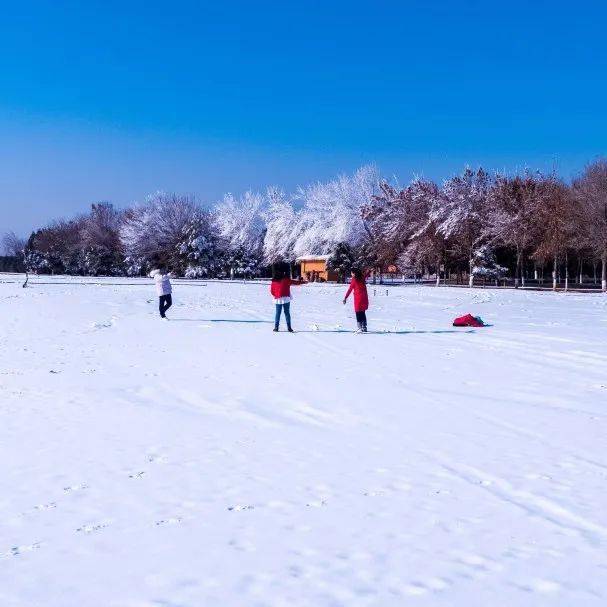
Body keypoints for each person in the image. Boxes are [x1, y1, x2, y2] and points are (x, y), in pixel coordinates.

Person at [270, 265, 306, 332]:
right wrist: (303, 282)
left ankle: (276, 327)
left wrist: (277, 294)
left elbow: (272, 291)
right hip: (286, 298)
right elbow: (296, 282)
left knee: (278, 313)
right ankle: (289, 327)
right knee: (287, 313)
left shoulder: (274, 281)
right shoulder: (286, 280)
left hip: (278, 299)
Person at [343, 268, 369, 332]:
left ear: (354, 273)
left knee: (358, 312)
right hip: (364, 298)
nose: (351, 274)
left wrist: (345, 297)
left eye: (351, 273)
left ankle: (359, 327)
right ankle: (364, 327)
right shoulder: (362, 277)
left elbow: (350, 289)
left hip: (358, 298)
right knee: (362, 312)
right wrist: (370, 270)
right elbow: (366, 274)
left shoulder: (354, 280)